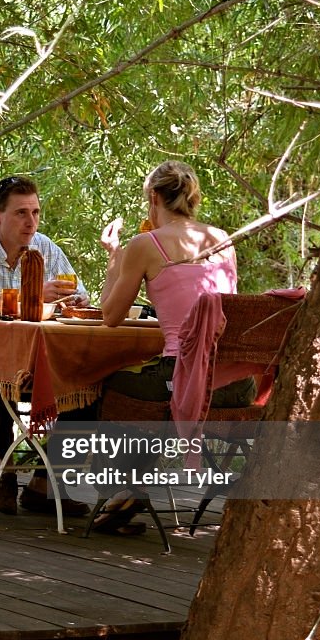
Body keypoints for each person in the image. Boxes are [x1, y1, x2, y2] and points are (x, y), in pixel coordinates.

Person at [91, 160, 256, 535]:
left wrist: (114, 259)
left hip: (184, 380)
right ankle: (129, 493)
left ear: (153, 197)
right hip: (235, 385)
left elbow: (111, 316)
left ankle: (122, 491)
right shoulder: (223, 240)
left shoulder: (145, 245)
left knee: (110, 382)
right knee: (147, 381)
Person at [0, 174, 90, 517]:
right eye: (21, 213)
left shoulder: (45, 248)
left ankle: (45, 479)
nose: (31, 222)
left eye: (36, 212)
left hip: (40, 358)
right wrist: (31, 295)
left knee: (90, 378)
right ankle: (3, 460)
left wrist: (69, 300)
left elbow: (80, 295)